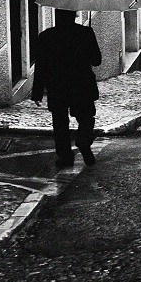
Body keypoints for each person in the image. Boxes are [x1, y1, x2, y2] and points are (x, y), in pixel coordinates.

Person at [32, 9, 102, 168]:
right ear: (74, 15)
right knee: (86, 117)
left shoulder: (46, 37)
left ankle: (65, 157)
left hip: (57, 87)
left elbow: (40, 67)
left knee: (60, 124)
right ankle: (84, 139)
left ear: (57, 15)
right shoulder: (85, 33)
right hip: (81, 85)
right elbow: (96, 60)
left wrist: (37, 92)